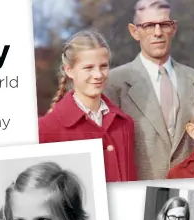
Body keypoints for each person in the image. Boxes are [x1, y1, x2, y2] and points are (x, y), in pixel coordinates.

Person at [104, 0, 194, 180]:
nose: (157, 32)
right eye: (149, 25)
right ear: (134, 32)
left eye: (164, 24)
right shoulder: (114, 82)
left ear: (173, 28)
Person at [38, 30, 137, 183]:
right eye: (88, 68)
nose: (98, 75)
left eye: (103, 66)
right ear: (69, 70)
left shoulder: (125, 123)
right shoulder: (46, 129)